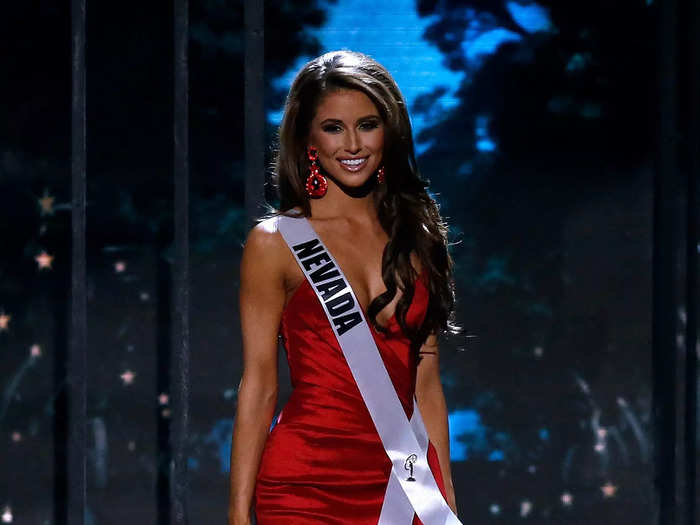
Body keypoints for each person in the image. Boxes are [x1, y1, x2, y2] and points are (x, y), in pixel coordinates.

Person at [229, 50, 460, 525]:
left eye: (368, 125)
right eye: (333, 127)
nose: (352, 144)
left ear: (389, 131)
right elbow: (259, 385)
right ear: (307, 136)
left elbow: (427, 384)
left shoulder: (417, 233)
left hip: (407, 485)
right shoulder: (276, 243)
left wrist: (447, 504)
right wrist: (237, 513)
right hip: (305, 487)